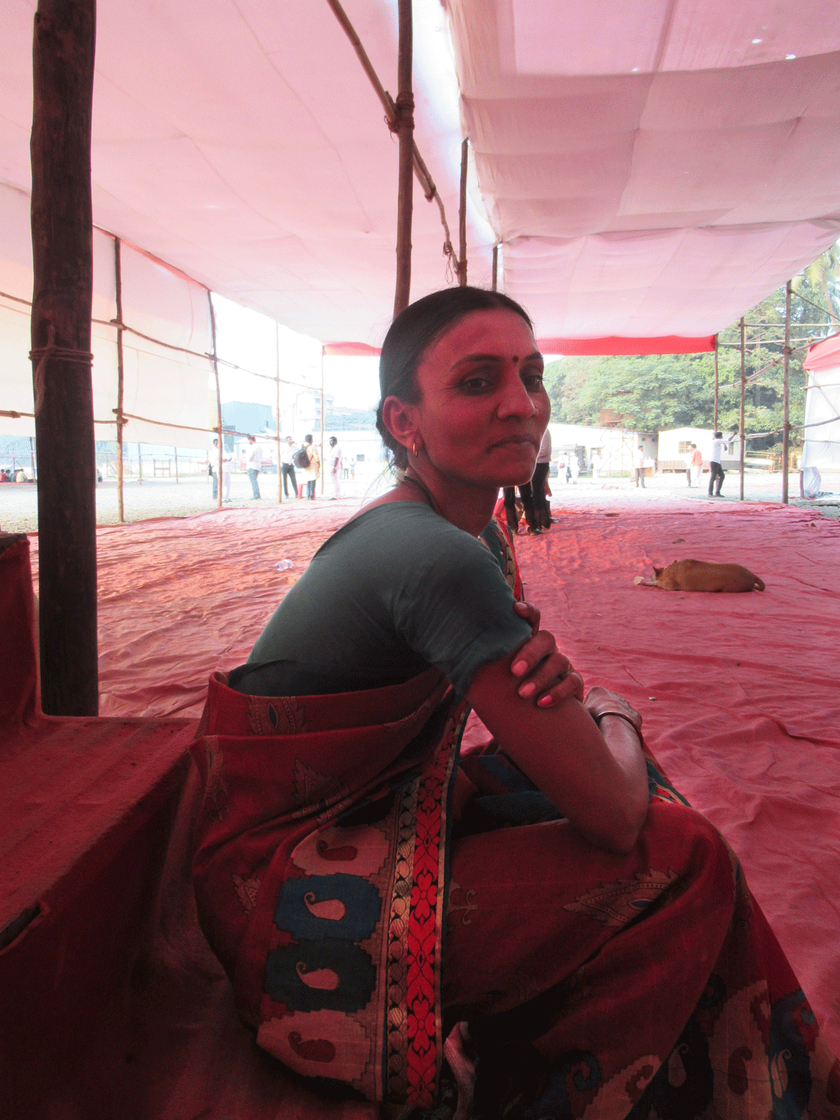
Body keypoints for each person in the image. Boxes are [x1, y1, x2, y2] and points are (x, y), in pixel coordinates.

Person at [189, 287, 839, 1120]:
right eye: (477, 382)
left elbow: (541, 714)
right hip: (289, 894)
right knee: (679, 852)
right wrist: (614, 717)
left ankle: (531, 1038)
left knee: (597, 788)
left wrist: (581, 724)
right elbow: (609, 812)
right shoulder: (433, 556)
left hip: (375, 816)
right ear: (402, 422)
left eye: (532, 377)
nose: (521, 404)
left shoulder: (476, 537)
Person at [532, 428, 552, 528]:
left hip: (541, 464)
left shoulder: (543, 431)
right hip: (539, 464)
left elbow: (544, 450)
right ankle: (544, 520)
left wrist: (530, 455)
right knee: (539, 493)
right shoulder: (540, 430)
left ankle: (540, 521)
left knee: (537, 493)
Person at [708, 430, 735, 497]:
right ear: (720, 436)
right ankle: (710, 492)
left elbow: (723, 442)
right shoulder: (717, 441)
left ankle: (717, 492)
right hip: (714, 461)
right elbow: (728, 440)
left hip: (717, 461)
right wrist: (733, 435)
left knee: (722, 475)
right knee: (713, 477)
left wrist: (724, 445)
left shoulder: (716, 441)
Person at [210, 438, 232, 503]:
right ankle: (218, 497)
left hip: (226, 469)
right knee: (219, 484)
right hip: (218, 469)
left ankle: (226, 497)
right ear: (216, 444)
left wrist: (228, 459)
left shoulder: (223, 451)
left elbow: (228, 457)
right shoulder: (213, 452)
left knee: (227, 484)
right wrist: (221, 460)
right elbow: (213, 462)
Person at [245, 435, 262, 499]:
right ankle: (257, 495)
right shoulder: (259, 447)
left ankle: (256, 495)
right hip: (257, 465)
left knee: (253, 481)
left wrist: (245, 458)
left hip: (252, 465)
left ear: (250, 440)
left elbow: (249, 457)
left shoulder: (252, 447)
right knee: (255, 481)